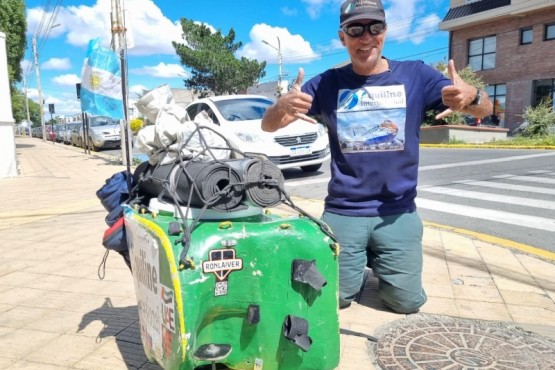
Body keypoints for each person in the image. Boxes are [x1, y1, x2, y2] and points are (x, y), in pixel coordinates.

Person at [262, 0, 493, 314]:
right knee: (332, 300)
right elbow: (269, 125)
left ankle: (377, 258)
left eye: (375, 27)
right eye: (356, 29)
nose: (366, 37)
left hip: (397, 211)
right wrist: (281, 106)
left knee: (406, 304)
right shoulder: (327, 83)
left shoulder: (417, 75)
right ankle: (361, 259)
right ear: (343, 37)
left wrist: (474, 96)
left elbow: (486, 108)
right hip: (345, 209)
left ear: (385, 32)